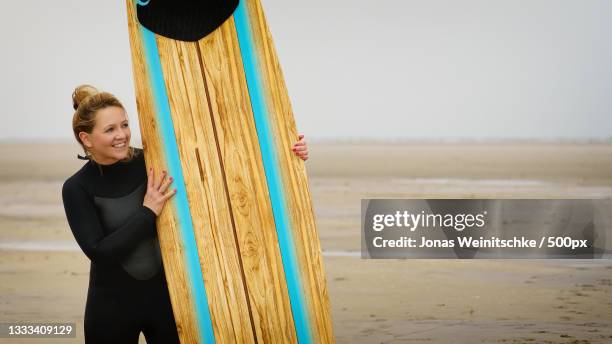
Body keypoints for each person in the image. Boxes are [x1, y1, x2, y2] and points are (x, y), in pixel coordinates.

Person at [62, 85, 309, 344]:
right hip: (111, 309)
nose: (122, 135)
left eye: (124, 125)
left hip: (170, 304)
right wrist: (148, 212)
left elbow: (225, 171)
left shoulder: (152, 164)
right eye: (110, 129)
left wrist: (287, 153)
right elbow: (100, 251)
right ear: (87, 139)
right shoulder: (77, 188)